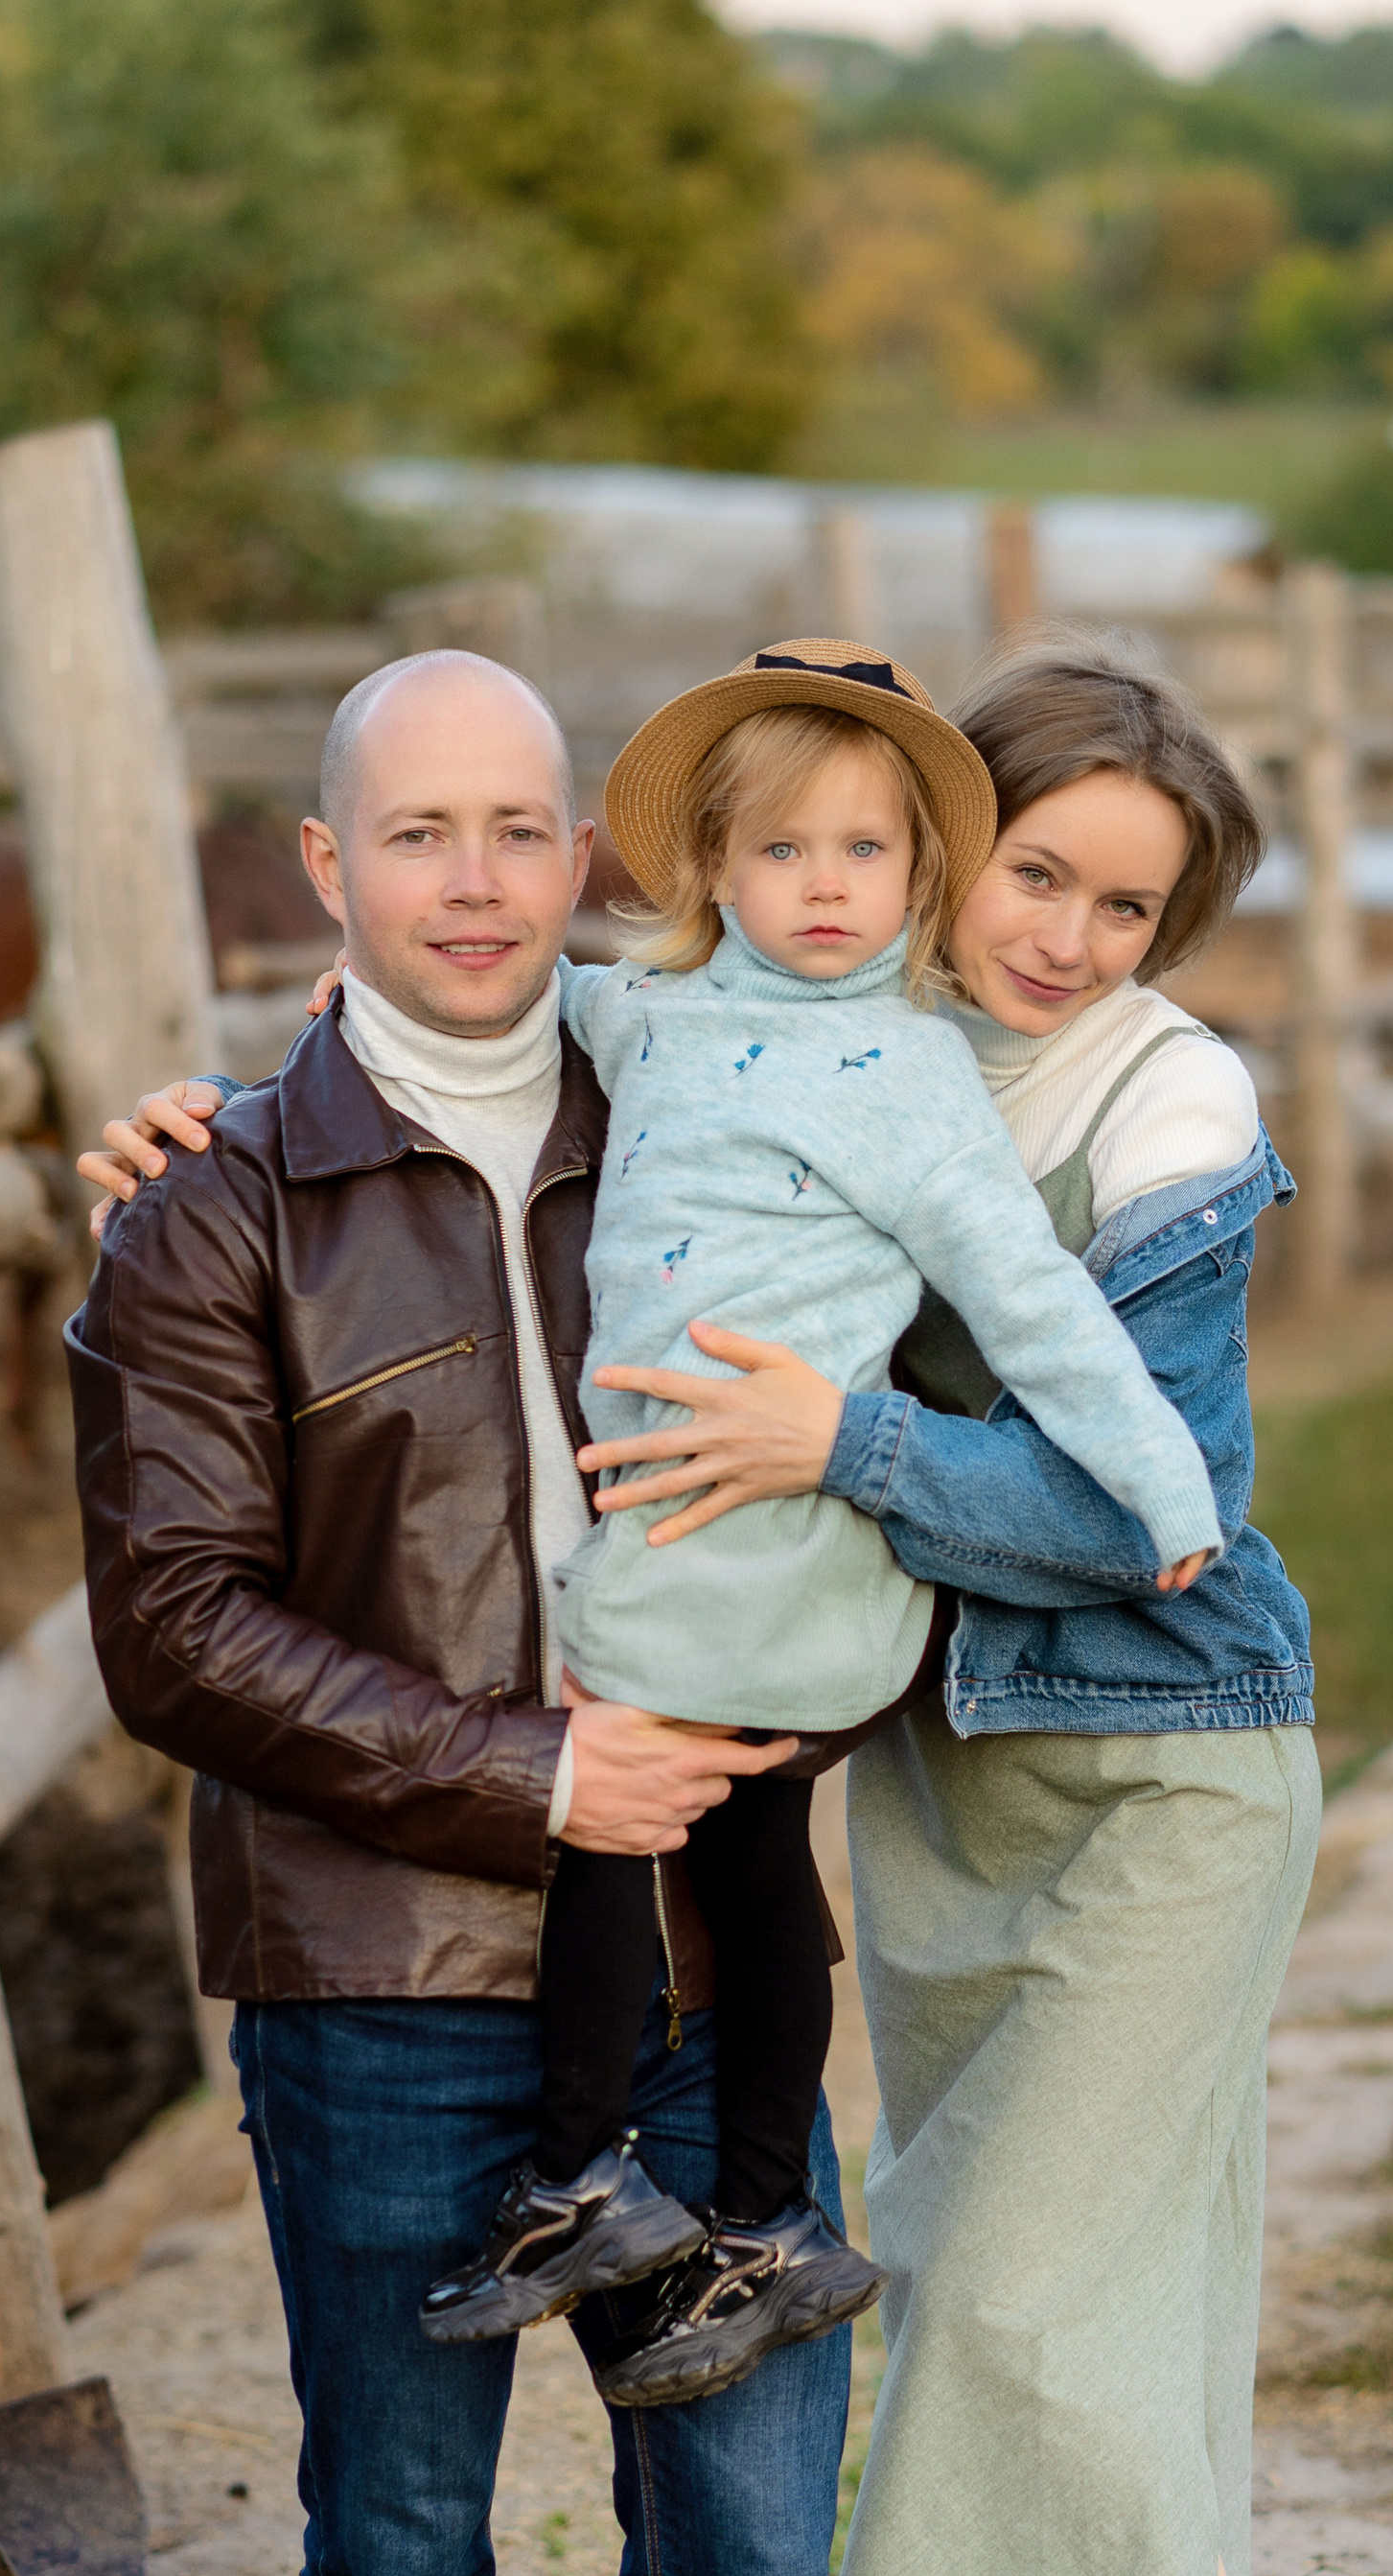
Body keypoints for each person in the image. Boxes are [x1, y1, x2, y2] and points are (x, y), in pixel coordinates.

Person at [91, 635, 1393, 2576]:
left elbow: (1149, 1500)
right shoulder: (673, 1057)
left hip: (1073, 1780)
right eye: (1030, 872)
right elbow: (466, 1043)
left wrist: (838, 1439)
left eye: (1117, 905)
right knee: (510, 2539)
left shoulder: (1093, 1106)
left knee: (973, 2357)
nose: (1057, 932)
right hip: (798, 1827)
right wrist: (219, 1106)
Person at [64, 646, 922, 2576]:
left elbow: (981, 1125)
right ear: (323, 869)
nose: (470, 880)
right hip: (386, 1989)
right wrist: (529, 1772)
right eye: (414, 832)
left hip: (704, 1982)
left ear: (591, 861)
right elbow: (177, 1626)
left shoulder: (716, 1106)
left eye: (521, 829)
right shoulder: (216, 1205)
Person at [425, 642, 1221, 2406]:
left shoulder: (909, 1079)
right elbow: (486, 1013)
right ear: (710, 871)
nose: (827, 889)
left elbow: (1034, 1306)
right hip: (690, 1518)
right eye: (784, 853)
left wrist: (1163, 1490)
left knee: (613, 1812)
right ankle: (768, 2219)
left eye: (867, 854)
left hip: (755, 1532)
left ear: (919, 878)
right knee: (744, 1853)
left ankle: (578, 2180)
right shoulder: (652, 1011)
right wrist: (295, 1051)